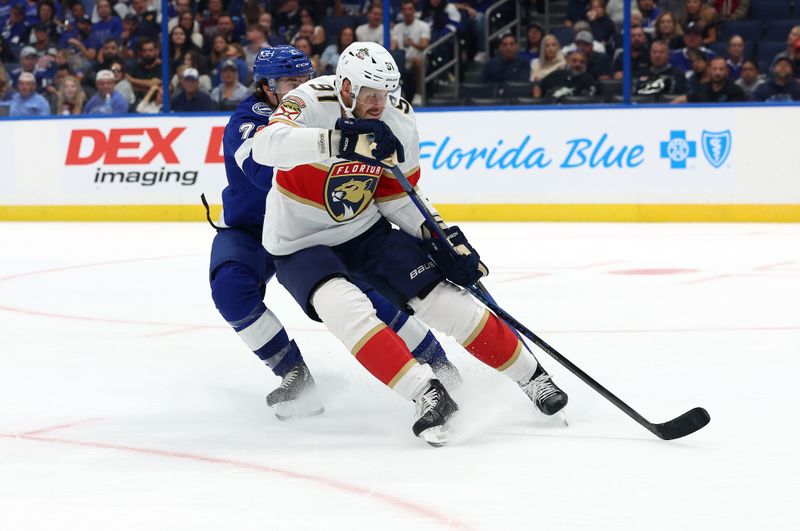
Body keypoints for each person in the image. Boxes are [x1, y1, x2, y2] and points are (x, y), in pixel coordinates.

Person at [250, 41, 569, 444]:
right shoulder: (310, 99)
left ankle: (533, 378)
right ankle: (426, 393)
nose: (378, 103)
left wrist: (437, 236)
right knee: (344, 309)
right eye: (368, 93)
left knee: (443, 300)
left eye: (385, 92)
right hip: (298, 241)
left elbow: (397, 194)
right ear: (345, 87)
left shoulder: (398, 117)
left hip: (364, 229)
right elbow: (265, 146)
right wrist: (335, 141)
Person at [208, 45, 463, 421]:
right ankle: (292, 372)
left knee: (366, 297)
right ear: (265, 86)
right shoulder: (250, 120)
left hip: (319, 226)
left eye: (304, 80)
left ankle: (437, 363)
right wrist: (335, 146)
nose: (300, 87)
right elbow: (266, 173)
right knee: (229, 288)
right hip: (253, 228)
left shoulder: (324, 108)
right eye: (289, 82)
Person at [391, 0, 430, 104]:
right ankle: (395, 95)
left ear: (414, 11)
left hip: (418, 60)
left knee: (417, 61)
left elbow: (425, 45)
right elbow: (393, 45)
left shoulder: (423, 26)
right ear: (401, 12)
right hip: (402, 61)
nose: (407, 12)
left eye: (410, 9)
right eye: (405, 9)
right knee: (391, 61)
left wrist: (413, 44)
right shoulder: (397, 27)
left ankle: (418, 94)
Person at [674, 56, 746, 103]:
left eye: (721, 69)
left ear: (727, 71)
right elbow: (683, 99)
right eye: (714, 69)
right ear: (710, 70)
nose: (717, 73)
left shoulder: (735, 91)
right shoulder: (702, 89)